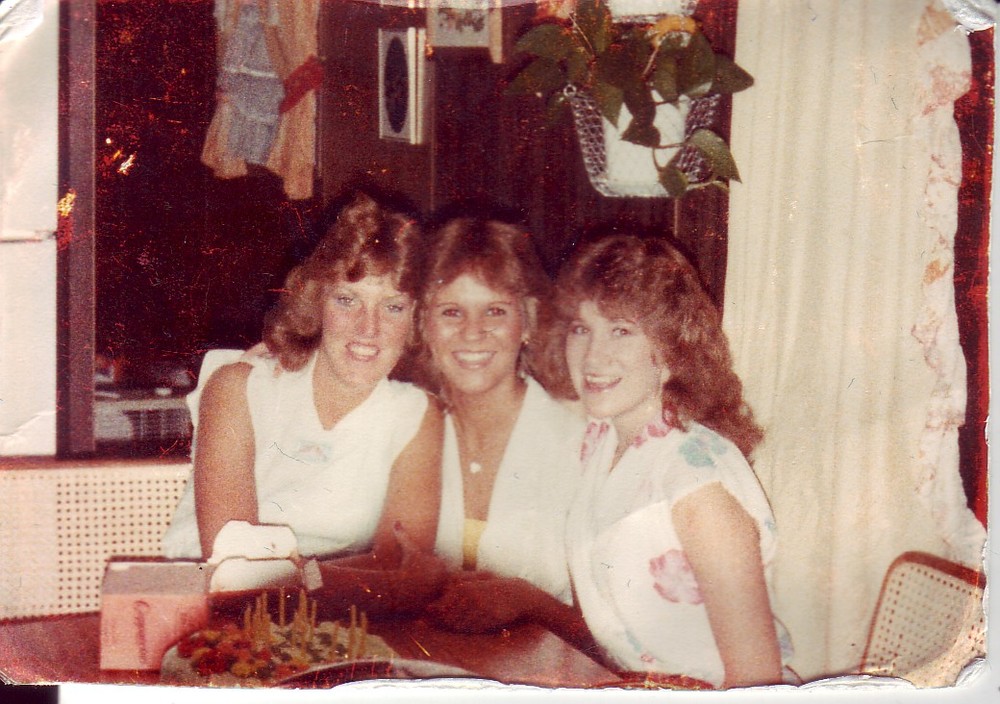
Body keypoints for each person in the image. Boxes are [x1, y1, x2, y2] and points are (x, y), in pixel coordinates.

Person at [161, 192, 445, 614]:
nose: (368, 328)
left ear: (416, 319)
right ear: (316, 301)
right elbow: (235, 571)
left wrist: (375, 582)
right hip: (203, 614)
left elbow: (399, 564)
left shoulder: (416, 415)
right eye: (347, 300)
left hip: (340, 621)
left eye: (393, 307)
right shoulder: (239, 387)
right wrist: (379, 582)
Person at [551, 233, 790, 688]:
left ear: (670, 349)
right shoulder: (603, 441)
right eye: (581, 329)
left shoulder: (698, 490)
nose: (593, 356)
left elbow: (756, 678)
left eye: (621, 330)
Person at [409, 217, 589, 636]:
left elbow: (616, 638)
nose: (473, 332)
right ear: (424, 325)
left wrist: (527, 601)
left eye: (495, 311)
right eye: (451, 311)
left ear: (527, 322)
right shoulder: (406, 428)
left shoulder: (578, 441)